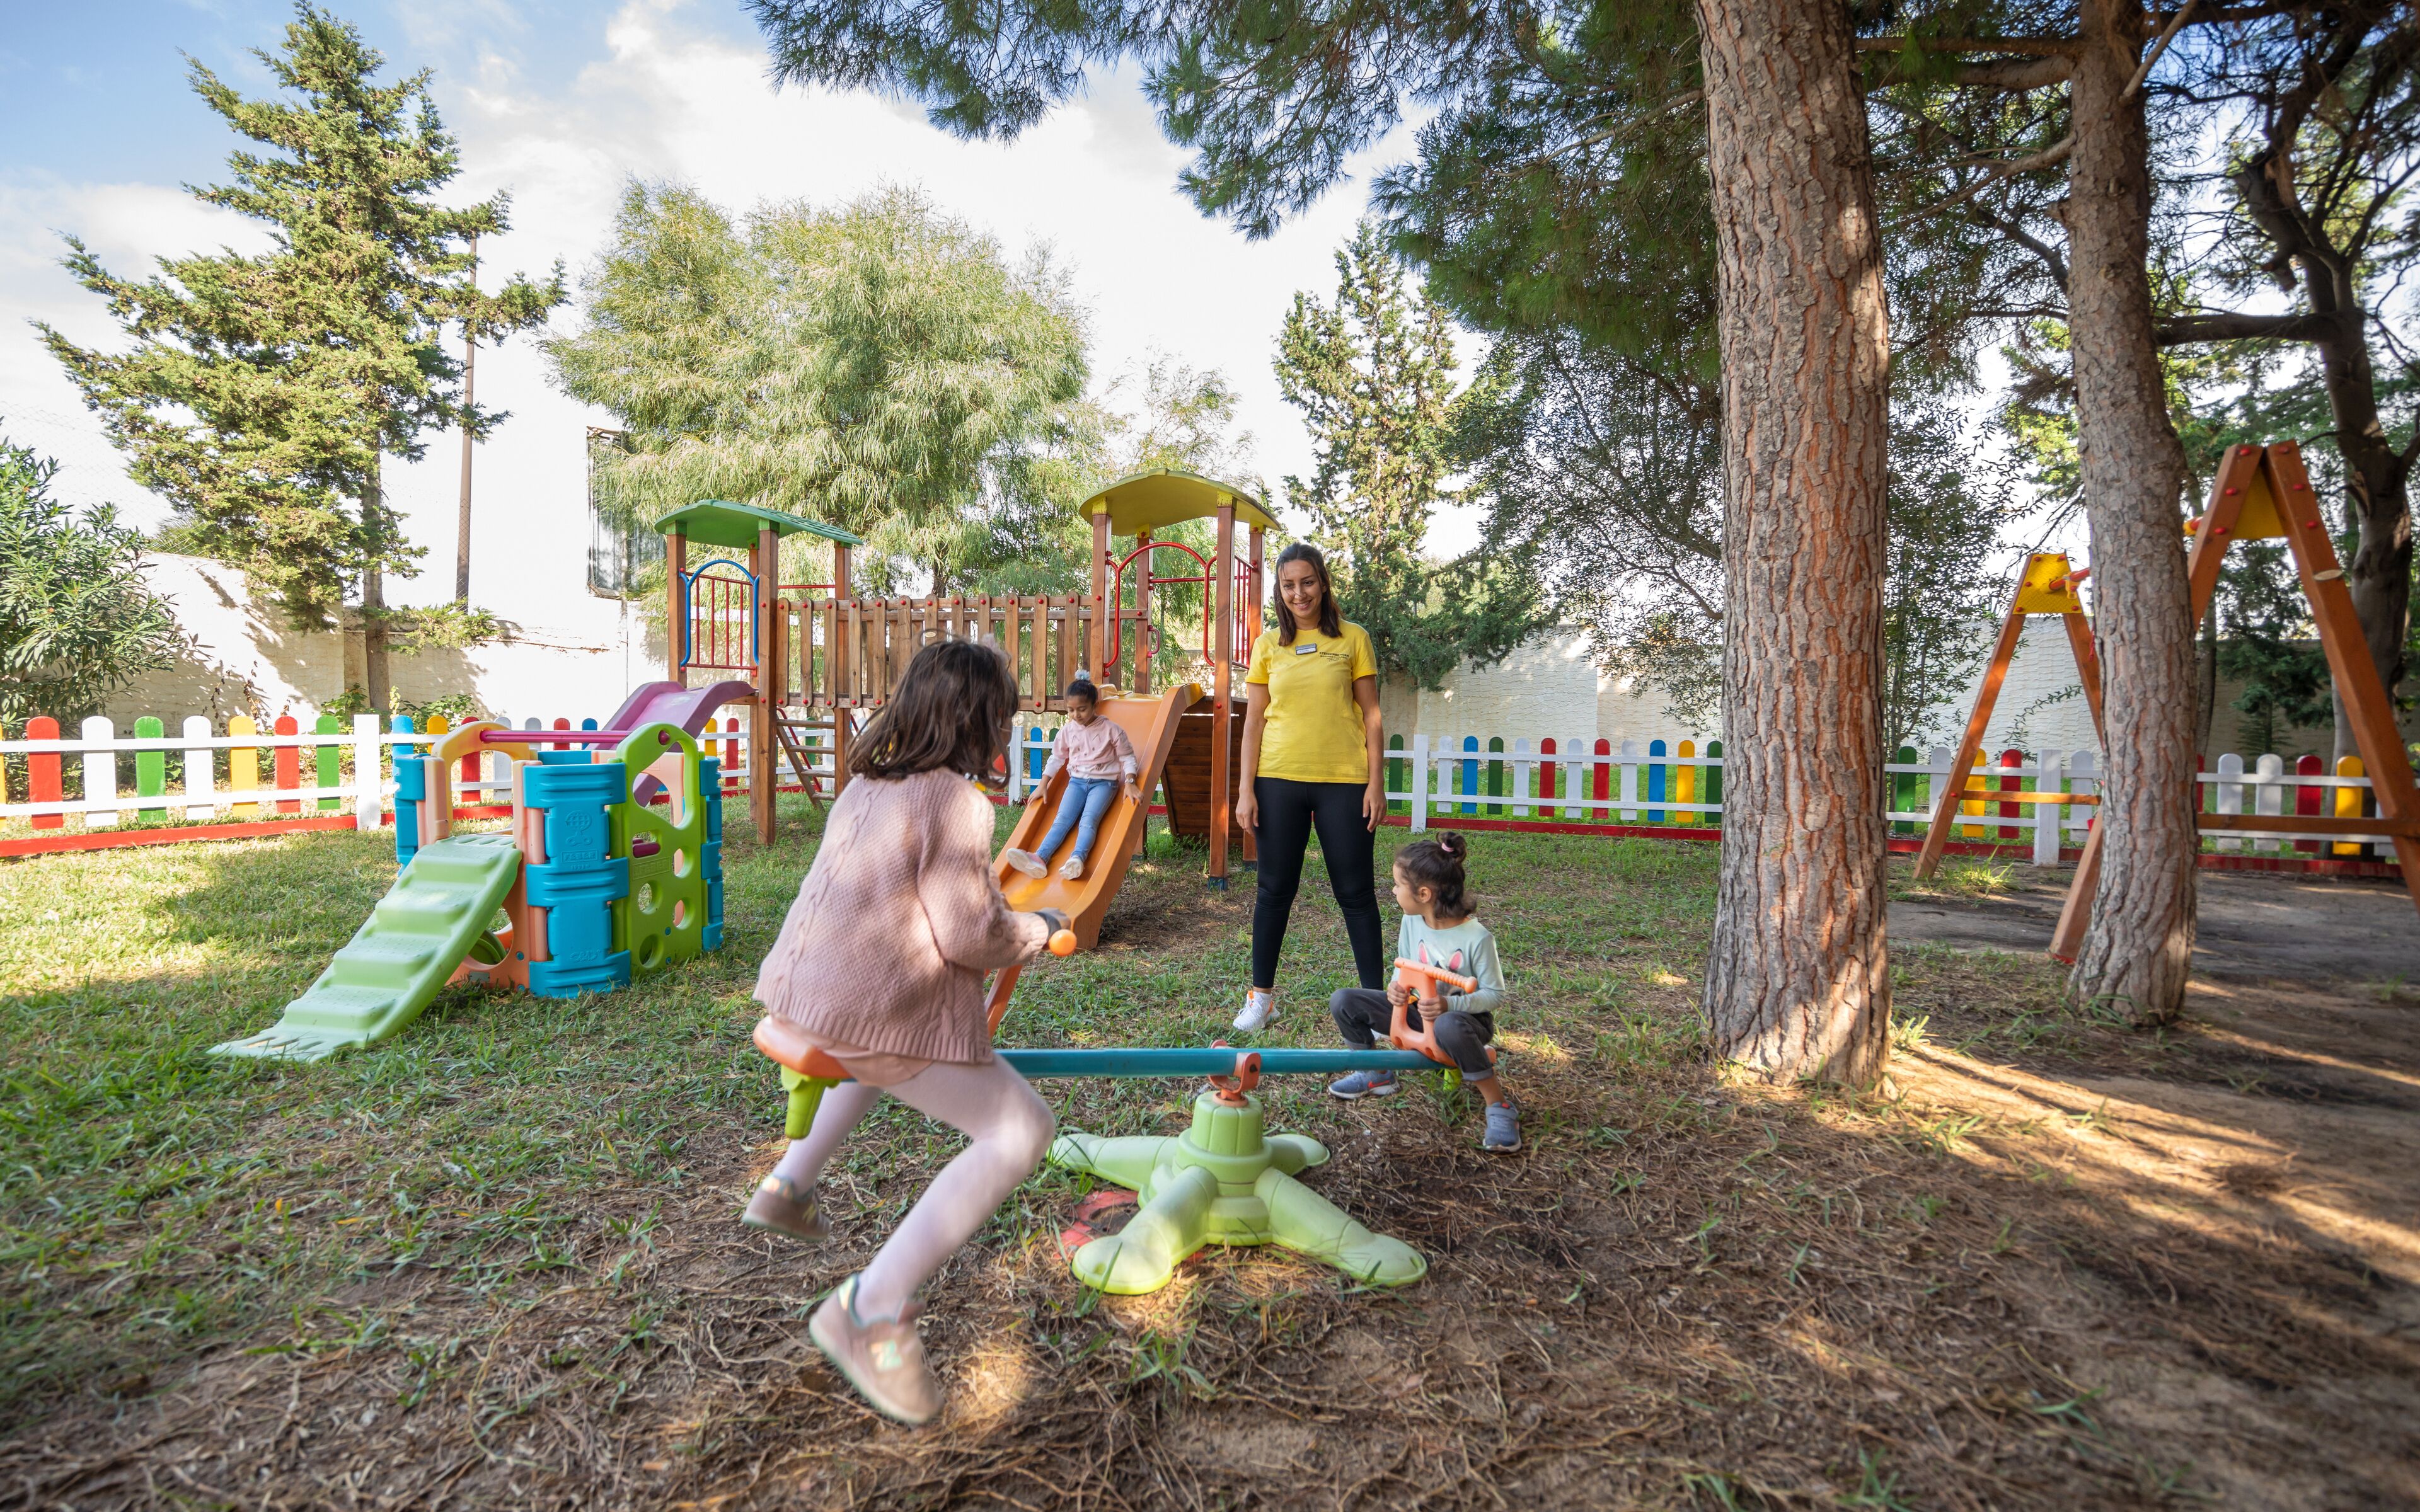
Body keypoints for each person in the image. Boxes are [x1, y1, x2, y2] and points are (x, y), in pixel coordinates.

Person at [742, 637, 1070, 1426]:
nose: (1006, 732)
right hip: (863, 1010)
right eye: (1004, 718)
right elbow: (969, 936)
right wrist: (1041, 928)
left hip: (802, 992)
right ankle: (870, 1310)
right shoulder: (956, 802)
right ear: (979, 720)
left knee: (874, 1058)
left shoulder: (866, 784)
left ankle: (789, 1184)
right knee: (1021, 1130)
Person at [1231, 542, 1386, 1033]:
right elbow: (1253, 722)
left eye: (1308, 582)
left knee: (1357, 894)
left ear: (1323, 583)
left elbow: (1373, 716)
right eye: (1289, 584)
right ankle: (1262, 997)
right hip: (1277, 782)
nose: (1299, 593)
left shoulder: (1354, 639)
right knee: (1273, 891)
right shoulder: (1267, 646)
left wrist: (1376, 784)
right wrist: (1244, 790)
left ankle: (1378, 1006)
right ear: (1280, 590)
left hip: (1345, 783)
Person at [1325, 832, 1521, 1152]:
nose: (1393, 891)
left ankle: (1498, 1106)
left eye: (1399, 885)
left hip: (1461, 1023)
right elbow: (1403, 968)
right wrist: (1396, 989)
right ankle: (1375, 1072)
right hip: (1415, 1014)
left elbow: (1494, 995)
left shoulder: (1477, 938)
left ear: (1424, 893)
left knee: (1447, 1024)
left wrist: (1449, 1003)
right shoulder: (1411, 921)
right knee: (1344, 1001)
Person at [1003, 676, 1143, 883]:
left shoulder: (1111, 730)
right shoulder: (1067, 731)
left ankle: (1077, 859)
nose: (1076, 715)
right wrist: (1044, 784)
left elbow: (1127, 757)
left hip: (1104, 784)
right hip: (1076, 782)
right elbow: (1057, 758)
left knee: (1088, 821)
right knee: (1061, 820)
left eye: (1082, 709)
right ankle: (1039, 858)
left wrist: (1130, 782)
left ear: (1095, 706)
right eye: (1071, 710)